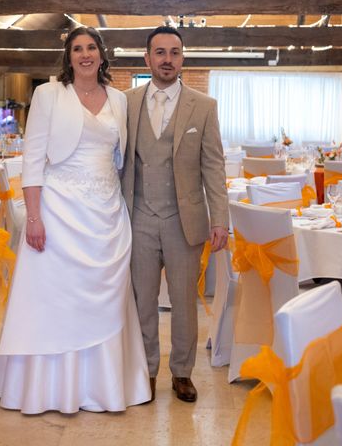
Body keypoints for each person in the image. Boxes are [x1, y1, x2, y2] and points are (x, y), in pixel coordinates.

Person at [0, 27, 151, 413]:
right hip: (58, 210)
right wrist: (33, 216)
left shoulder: (119, 99)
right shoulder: (48, 94)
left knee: (109, 298)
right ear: (68, 57)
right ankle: (48, 388)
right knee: (55, 299)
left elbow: (121, 158)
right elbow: (32, 159)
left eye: (91, 47)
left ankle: (106, 386)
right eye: (77, 48)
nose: (84, 54)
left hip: (106, 213)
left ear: (101, 55)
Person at [121, 26, 229, 403]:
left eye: (175, 52)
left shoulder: (204, 106)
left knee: (184, 302)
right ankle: (145, 370)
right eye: (160, 52)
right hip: (137, 219)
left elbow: (214, 167)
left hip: (185, 221)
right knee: (141, 299)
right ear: (147, 58)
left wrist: (220, 220)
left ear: (183, 58)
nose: (168, 59)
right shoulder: (126, 103)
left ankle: (182, 372)